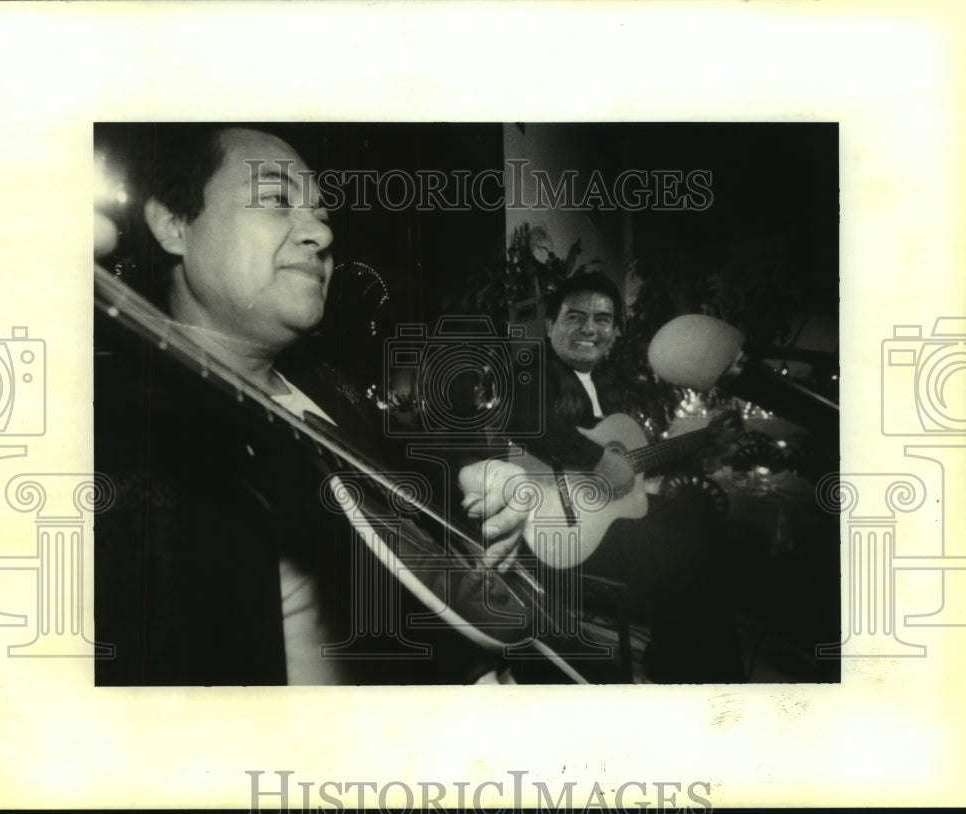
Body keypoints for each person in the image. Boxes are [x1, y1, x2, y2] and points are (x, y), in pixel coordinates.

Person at [93, 125, 531, 685]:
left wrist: (482, 487)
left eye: (322, 213)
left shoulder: (334, 395)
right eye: (277, 201)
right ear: (174, 224)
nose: (320, 233)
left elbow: (408, 518)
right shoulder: (123, 428)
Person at [496, 271, 745, 683]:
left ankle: (702, 673)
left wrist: (699, 445)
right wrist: (596, 458)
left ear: (613, 331)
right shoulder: (532, 366)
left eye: (603, 319)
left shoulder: (605, 385)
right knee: (687, 555)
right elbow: (522, 418)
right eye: (575, 317)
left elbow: (630, 464)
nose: (590, 328)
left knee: (708, 527)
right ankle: (685, 675)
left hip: (600, 521)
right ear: (551, 324)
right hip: (558, 532)